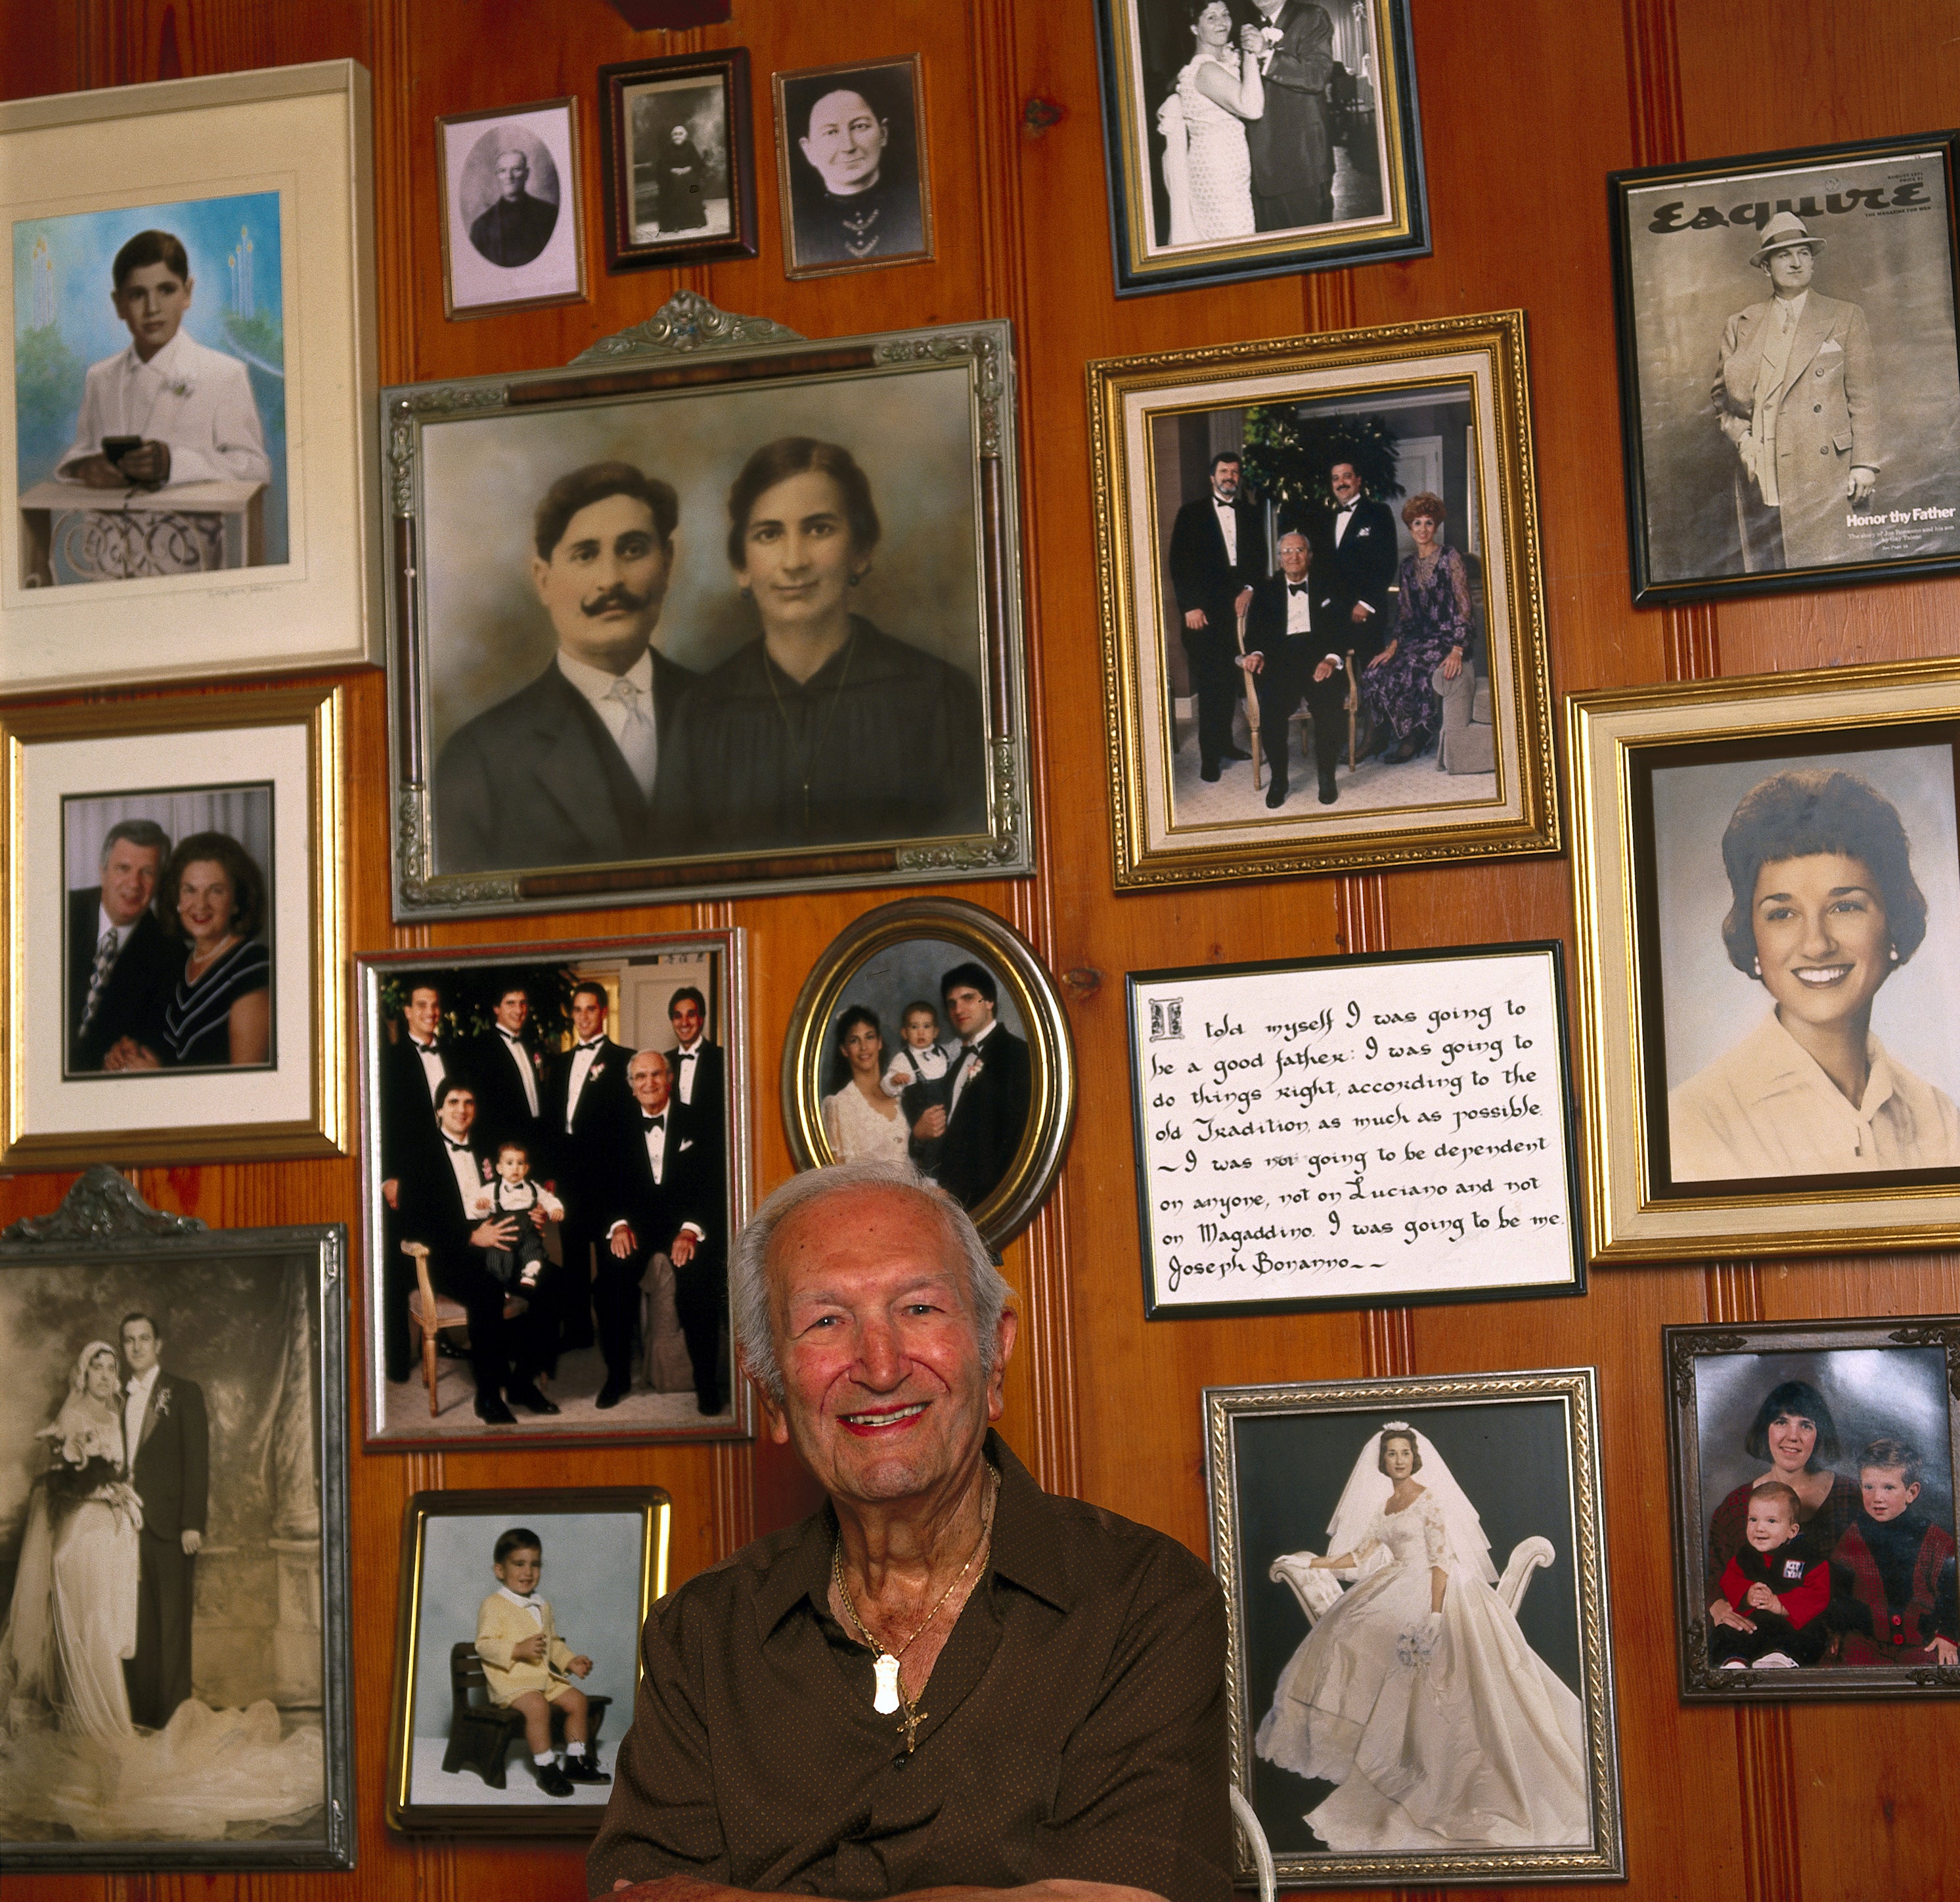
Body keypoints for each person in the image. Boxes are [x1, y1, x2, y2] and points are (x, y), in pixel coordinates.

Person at [586, 1157, 1231, 1901]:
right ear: (770, 1393)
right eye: (826, 1320)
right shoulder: (700, 1635)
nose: (881, 1364)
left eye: (919, 1309)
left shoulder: (1141, 1601)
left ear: (994, 1354)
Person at [1255, 1421, 1590, 1851]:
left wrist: (1434, 1614)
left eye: (1405, 1454)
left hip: (1438, 1588)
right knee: (1360, 1643)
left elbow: (1439, 1560)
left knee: (1446, 1679)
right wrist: (1311, 1565)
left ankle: (1453, 1783)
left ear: (1415, 1458)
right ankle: (1409, 1768)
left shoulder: (1428, 1501)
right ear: (1383, 1461)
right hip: (1395, 1580)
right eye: (1392, 1454)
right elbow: (1357, 1556)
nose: (1399, 1460)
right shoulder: (1386, 1507)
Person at [656, 437, 987, 853]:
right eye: (769, 534)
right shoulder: (699, 716)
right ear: (742, 566)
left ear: (860, 552)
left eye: (819, 529)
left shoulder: (937, 697)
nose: (794, 560)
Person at [1667, 769, 1960, 1182]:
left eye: (1846, 907)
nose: (1817, 945)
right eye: (1782, 914)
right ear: (1751, 935)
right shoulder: (1693, 1123)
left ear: (1894, 920)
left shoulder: (1939, 1118)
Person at [435, 462, 698, 875]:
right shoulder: (479, 758)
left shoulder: (729, 714)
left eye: (632, 550)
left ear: (666, 564)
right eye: (586, 555)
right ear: (543, 580)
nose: (610, 579)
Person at [53, 229, 271, 579]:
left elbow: (255, 466)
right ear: (119, 304)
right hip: (106, 565)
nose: (152, 308)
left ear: (187, 293)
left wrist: (174, 464)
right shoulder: (100, 377)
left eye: (166, 290)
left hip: (186, 564)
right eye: (137, 294)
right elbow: (80, 453)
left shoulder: (224, 374)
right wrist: (85, 469)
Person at [1712, 212, 1879, 574]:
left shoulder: (1846, 316)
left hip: (1823, 469)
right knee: (1773, 571)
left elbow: (1864, 397)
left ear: (1813, 262)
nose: (1796, 262)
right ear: (1766, 268)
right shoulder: (1741, 324)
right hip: (1762, 467)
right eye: (1785, 255)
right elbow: (1722, 401)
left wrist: (1864, 463)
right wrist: (1744, 441)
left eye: (1804, 253)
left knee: (1828, 570)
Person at [0, 1342, 144, 1740]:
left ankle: (93, 1716)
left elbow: (119, 1472)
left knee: (101, 1618)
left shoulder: (115, 1416)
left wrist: (120, 1492)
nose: (103, 1375)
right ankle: (96, 1719)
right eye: (96, 1367)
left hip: (110, 1531)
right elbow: (60, 1486)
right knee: (88, 1618)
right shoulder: (73, 1415)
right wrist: (103, 1492)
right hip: (81, 1531)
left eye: (110, 1368)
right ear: (83, 1373)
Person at [397, 1078, 560, 1425]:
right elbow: (415, 1220)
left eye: (469, 1102)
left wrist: (531, 1211)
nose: (462, 1109)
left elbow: (515, 1186)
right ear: (439, 1110)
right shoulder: (419, 1153)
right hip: (452, 1253)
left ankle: (521, 1382)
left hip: (506, 1244)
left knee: (557, 1284)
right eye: (453, 1102)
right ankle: (487, 1397)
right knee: (486, 1292)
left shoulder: (490, 1148)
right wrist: (472, 1237)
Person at [600, 1050, 717, 1413]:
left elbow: (712, 1184)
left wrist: (690, 1231)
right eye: (640, 1078)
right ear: (631, 1087)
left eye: (655, 1075)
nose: (648, 1083)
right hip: (634, 1226)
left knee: (699, 1284)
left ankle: (706, 1384)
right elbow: (602, 1185)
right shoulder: (615, 1125)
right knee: (608, 1285)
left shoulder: (698, 1121)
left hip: (681, 1225)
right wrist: (618, 1224)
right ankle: (617, 1377)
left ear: (669, 1079)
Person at [103, 830, 270, 1072]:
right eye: (190, 890)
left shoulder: (253, 969)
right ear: (177, 898)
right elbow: (164, 1053)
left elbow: (247, 1093)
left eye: (216, 891)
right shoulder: (177, 963)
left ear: (236, 901)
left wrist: (159, 1080)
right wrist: (126, 1052)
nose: (200, 904)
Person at [1703, 1378, 1860, 1629]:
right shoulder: (1735, 1507)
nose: (1793, 1436)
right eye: (1781, 1422)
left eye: (1806, 1425)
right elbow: (1715, 1576)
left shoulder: (1852, 1496)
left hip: (1836, 1637)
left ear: (1820, 1435)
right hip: (1756, 1638)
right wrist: (1717, 1605)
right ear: (1766, 1429)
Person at [118, 1312, 207, 1732]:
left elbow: (197, 1460)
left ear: (159, 1345)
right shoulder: (116, 1398)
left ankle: (173, 1724)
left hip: (172, 1528)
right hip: (124, 1528)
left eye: (144, 1339)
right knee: (137, 1626)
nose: (136, 1347)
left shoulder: (184, 1392)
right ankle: (143, 1720)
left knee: (172, 1628)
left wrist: (193, 1523)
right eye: (129, 1341)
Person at [476, 1527, 607, 1797]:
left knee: (577, 1701)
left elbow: (553, 1643)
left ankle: (575, 1761)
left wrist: (570, 1661)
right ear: (500, 1570)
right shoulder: (494, 1605)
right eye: (519, 1564)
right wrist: (516, 1649)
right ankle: (546, 1767)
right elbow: (484, 1645)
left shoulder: (541, 1605)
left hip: (543, 1679)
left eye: (535, 1565)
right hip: (512, 1683)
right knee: (537, 1706)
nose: (528, 1572)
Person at [546, 982, 638, 1355]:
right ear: (573, 1014)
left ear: (603, 1012)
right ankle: (579, 1330)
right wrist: (551, 1174)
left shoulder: (624, 1059)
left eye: (591, 1009)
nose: (584, 1016)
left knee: (611, 1258)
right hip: (568, 1175)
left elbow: (629, 1127)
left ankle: (617, 1336)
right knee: (572, 1256)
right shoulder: (561, 1062)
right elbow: (553, 1122)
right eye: (578, 1010)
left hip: (607, 1175)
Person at [1167, 449, 1264, 782]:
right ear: (1213, 477)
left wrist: (1250, 588)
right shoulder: (1191, 514)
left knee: (1232, 681)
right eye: (1224, 471)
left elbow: (1259, 560)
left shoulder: (1251, 513)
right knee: (1212, 684)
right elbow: (1179, 563)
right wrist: (1190, 606)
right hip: (1204, 613)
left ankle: (1226, 744)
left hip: (1240, 611)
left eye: (1235, 472)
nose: (1230, 477)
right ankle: (1210, 757)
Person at [1236, 529, 1349, 807]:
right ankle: (1279, 780)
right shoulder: (1266, 590)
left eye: (1299, 550)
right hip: (1280, 660)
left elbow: (1341, 629)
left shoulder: (1328, 585)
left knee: (1330, 703)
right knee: (1272, 708)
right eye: (1287, 552)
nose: (1293, 556)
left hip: (1318, 658)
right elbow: (1255, 634)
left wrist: (1331, 659)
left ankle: (1326, 777)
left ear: (1309, 556)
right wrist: (1257, 654)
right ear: (1280, 559)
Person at [380, 979, 458, 1381]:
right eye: (422, 1005)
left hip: (447, 1169)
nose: (430, 1012)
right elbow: (383, 1122)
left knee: (445, 1247)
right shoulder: (390, 1059)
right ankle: (397, 1359)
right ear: (408, 1012)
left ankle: (442, 1335)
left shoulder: (452, 1053)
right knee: (399, 1264)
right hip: (406, 1172)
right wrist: (390, 1176)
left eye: (435, 1005)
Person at [1358, 492, 1471, 765]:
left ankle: (1416, 735)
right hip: (1419, 638)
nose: (1423, 529)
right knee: (1375, 669)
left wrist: (1457, 649)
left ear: (1437, 526)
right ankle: (1376, 737)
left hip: (1447, 638)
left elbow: (1464, 607)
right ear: (1410, 527)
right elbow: (1405, 613)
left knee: (1411, 667)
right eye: (1417, 523)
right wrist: (1393, 645)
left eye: (1429, 523)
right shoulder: (1407, 566)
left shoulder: (1450, 557)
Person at [1826, 1438, 1959, 1667]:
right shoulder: (1851, 1539)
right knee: (1848, 1667)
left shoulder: (1936, 1541)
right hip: (1868, 1639)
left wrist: (1948, 1635)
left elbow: (1954, 1593)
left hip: (1921, 1641)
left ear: (1911, 1492)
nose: (1878, 1497)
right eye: (1869, 1487)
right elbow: (1838, 1593)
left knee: (1929, 1671)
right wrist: (1836, 1629)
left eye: (1889, 1488)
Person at [910, 963, 1031, 1212]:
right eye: (951, 1003)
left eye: (968, 998)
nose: (958, 1009)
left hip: (983, 1206)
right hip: (945, 1204)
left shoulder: (1018, 1055)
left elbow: (1015, 1148)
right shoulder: (954, 1063)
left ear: (989, 1002)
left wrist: (957, 1195)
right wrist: (919, 1137)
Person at [66, 817, 177, 1074]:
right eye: (123, 868)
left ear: (159, 882)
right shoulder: (61, 911)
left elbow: (150, 1043)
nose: (134, 884)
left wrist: (121, 1055)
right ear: (103, 871)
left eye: (147, 872)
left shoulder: (169, 954)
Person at [1158, 1, 1262, 243]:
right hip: (1219, 175)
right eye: (1211, 18)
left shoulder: (1212, 65)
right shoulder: (1205, 70)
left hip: (1223, 169)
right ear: (1194, 28)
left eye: (1225, 14)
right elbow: (1252, 108)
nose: (1222, 22)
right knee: (1234, 241)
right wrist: (1250, 54)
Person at [790, 81, 924, 265]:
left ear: (883, 134)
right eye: (831, 132)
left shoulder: (918, 207)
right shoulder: (796, 228)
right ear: (808, 150)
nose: (848, 146)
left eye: (859, 127)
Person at [1706, 1482, 1831, 1668]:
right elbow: (1730, 1580)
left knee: (1809, 1635)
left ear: (1792, 1531)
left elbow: (1819, 1593)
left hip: (1789, 1625)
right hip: (1754, 1623)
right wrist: (1747, 1594)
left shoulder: (1807, 1558)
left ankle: (1780, 1660)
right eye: (1753, 1519)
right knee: (1727, 1630)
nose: (1759, 1528)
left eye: (1771, 1521)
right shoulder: (1745, 1556)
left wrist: (1780, 1605)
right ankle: (1734, 1661)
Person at [1240, 0, 1335, 232]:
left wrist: (1266, 54)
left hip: (1301, 165)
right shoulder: (1247, 27)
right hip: (1259, 167)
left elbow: (1318, 75)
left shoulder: (1311, 16)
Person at [1311, 460, 1398, 652]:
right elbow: (1321, 565)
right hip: (1334, 612)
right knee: (1336, 670)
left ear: (1358, 481)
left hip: (1366, 610)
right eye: (1336, 478)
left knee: (1370, 672)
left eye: (1347, 476)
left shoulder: (1378, 513)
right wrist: (1325, 601)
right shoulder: (1327, 518)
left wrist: (1367, 603)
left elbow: (1387, 562)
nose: (1341, 482)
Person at [465, 982, 551, 1158]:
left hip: (536, 1144)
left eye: (523, 1003)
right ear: (496, 1008)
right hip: (502, 1148)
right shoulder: (481, 1048)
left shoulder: (532, 1046)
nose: (519, 1010)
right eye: (511, 1003)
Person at [468, 1139, 565, 1294]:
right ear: (499, 1168)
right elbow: (477, 1213)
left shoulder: (532, 1187)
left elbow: (548, 1199)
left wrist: (555, 1209)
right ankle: (501, 1287)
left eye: (520, 1164)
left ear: (526, 1169)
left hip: (527, 1229)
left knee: (533, 1247)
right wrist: (481, 1207)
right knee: (498, 1256)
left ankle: (531, 1271)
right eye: (510, 1163)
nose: (515, 1168)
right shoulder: (491, 1190)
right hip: (504, 1232)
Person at [822, 1006, 910, 1165]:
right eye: (854, 1040)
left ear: (879, 1043)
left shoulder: (901, 1092)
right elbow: (838, 1174)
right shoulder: (839, 1106)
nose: (864, 1047)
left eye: (869, 1037)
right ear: (844, 1050)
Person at [883, 1000, 951, 1175]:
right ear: (905, 1033)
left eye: (927, 1026)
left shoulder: (943, 1055)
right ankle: (929, 1179)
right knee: (930, 1156)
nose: (921, 1032)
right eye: (914, 1027)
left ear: (936, 1032)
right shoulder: (903, 1059)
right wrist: (894, 1080)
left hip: (946, 1119)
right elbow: (886, 1086)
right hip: (922, 1124)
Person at [469, 146, 560, 268]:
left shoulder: (550, 215)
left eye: (516, 169)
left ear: (526, 174)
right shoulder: (481, 227)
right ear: (497, 176)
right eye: (503, 171)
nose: (509, 177)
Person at [654, 122, 709, 232]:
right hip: (671, 177)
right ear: (672, 137)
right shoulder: (667, 148)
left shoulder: (690, 145)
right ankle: (674, 224)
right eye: (675, 134)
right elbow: (661, 165)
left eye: (680, 134)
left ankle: (695, 221)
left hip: (689, 175)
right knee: (675, 184)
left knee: (693, 185)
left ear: (685, 136)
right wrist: (672, 170)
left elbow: (697, 162)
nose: (678, 136)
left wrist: (688, 169)